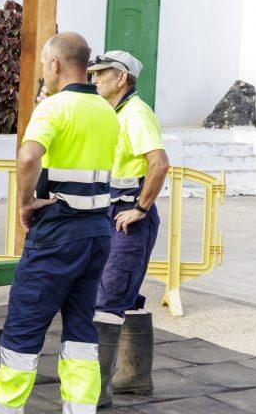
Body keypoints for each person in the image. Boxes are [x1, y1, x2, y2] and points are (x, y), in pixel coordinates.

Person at [0, 33, 119, 414]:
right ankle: (80, 408)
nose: (43, 69)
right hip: (96, 233)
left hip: (58, 233)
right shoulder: (107, 110)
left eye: (44, 63)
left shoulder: (53, 109)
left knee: (24, 326)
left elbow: (28, 158)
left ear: (56, 65)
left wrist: (26, 201)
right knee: (80, 331)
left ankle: (3, 410)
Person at [88, 51, 169, 408]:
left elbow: (159, 163)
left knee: (107, 300)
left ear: (121, 78)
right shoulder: (114, 113)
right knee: (125, 294)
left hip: (128, 218)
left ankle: (95, 395)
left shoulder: (136, 113)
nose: (94, 80)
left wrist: (140, 207)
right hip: (115, 214)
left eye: (101, 74)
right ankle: (134, 378)